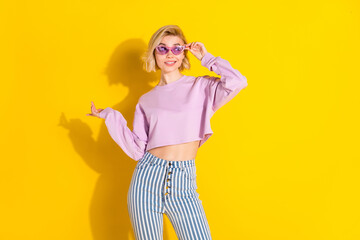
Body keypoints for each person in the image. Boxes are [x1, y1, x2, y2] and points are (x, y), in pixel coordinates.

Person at [86, 25, 248, 240]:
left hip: (184, 182)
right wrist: (111, 117)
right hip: (146, 181)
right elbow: (137, 150)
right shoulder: (146, 100)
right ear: (154, 53)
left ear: (184, 53)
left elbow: (238, 82)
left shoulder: (201, 87)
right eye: (162, 49)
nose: (169, 54)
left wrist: (206, 57)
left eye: (176, 48)